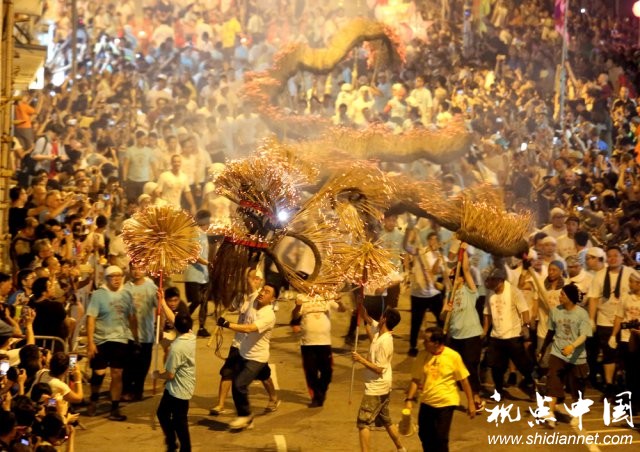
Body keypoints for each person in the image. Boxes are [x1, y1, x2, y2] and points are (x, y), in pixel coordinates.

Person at [209, 269, 279, 415]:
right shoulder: (250, 297)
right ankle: (221, 404)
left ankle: (271, 399)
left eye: (257, 279)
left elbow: (249, 328)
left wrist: (227, 324)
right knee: (228, 372)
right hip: (240, 346)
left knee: (262, 376)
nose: (261, 291)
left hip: (256, 351)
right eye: (252, 279)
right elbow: (235, 302)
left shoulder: (268, 314)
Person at [405, 326, 475, 451]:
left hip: (446, 402)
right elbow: (415, 379)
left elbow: (464, 380)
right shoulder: (422, 355)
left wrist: (470, 402)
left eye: (427, 341)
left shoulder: (453, 356)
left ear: (436, 343)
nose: (423, 343)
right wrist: (409, 400)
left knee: (441, 437)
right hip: (427, 401)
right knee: (424, 435)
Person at [86, 265, 138, 421]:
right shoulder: (98, 295)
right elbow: (91, 318)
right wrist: (90, 342)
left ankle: (114, 408)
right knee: (99, 373)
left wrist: (135, 338)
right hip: (101, 339)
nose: (116, 279)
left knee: (117, 373)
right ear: (106, 278)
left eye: (119, 276)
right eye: (112, 276)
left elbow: (132, 317)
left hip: (120, 338)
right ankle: (94, 397)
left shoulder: (127, 295)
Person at [352, 307, 406, 452]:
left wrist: (360, 359)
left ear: (385, 319)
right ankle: (401, 448)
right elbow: (367, 317)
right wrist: (360, 303)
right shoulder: (380, 332)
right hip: (382, 387)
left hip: (376, 387)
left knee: (363, 422)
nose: (379, 317)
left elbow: (379, 369)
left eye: (382, 315)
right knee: (385, 419)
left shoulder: (386, 342)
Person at [538, 283, 592, 428]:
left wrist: (572, 346)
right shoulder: (555, 311)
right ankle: (550, 414)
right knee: (553, 381)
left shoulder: (581, 313)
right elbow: (550, 332)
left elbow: (584, 335)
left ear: (570, 297)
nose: (559, 296)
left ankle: (577, 413)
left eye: (562, 294)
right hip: (558, 353)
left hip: (576, 356)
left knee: (577, 387)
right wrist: (543, 350)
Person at [441, 243, 484, 412]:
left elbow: (465, 269)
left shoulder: (470, 291)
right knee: (456, 368)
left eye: (455, 277)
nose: (453, 280)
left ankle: (476, 397)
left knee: (471, 367)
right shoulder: (448, 294)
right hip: (455, 336)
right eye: (451, 278)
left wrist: (463, 249)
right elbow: (443, 318)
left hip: (471, 335)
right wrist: (445, 312)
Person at [483, 267, 535, 398]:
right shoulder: (490, 293)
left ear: (500, 280)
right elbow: (487, 313)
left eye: (492, 280)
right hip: (496, 336)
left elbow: (524, 310)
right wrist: (484, 331)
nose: (489, 283)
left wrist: (525, 326)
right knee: (496, 367)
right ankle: (499, 391)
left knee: (523, 365)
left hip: (513, 336)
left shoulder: (513, 291)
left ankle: (530, 384)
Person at [291, 292, 346, 407]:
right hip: (307, 342)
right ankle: (317, 396)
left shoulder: (327, 296)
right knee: (311, 372)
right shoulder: (302, 297)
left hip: (324, 342)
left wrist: (339, 301)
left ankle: (320, 391)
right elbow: (295, 316)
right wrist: (297, 306)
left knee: (327, 371)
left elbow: (342, 310)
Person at [154, 312, 196, 452]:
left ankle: (184, 448)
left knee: (180, 422)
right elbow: (176, 320)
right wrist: (163, 300)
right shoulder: (191, 336)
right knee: (163, 413)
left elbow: (170, 374)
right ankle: (172, 443)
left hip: (179, 389)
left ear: (175, 327)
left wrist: (157, 375)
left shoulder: (176, 348)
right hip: (177, 386)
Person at [122, 263, 158, 401]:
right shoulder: (126, 288)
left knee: (143, 366)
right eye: (134, 268)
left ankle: (138, 391)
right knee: (129, 364)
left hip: (146, 333)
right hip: (129, 333)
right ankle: (126, 390)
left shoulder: (152, 287)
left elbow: (159, 307)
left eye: (140, 268)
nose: (137, 271)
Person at [184, 210, 211, 338]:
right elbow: (192, 255)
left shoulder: (204, 235)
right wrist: (207, 263)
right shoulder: (194, 234)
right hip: (193, 274)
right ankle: (182, 319)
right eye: (208, 220)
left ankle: (202, 328)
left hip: (204, 275)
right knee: (196, 300)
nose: (209, 223)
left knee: (204, 302)